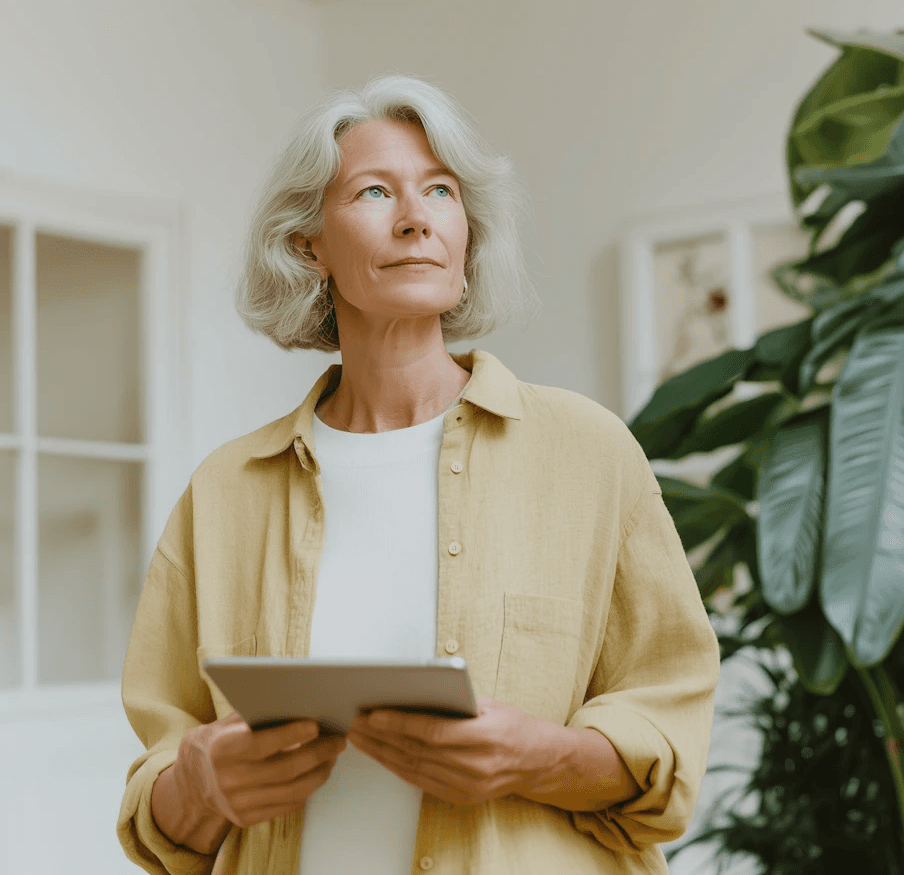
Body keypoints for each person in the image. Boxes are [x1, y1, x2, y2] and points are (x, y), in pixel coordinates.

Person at [116, 73, 721, 875]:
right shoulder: (226, 491)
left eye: (439, 191)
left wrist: (539, 758)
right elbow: (160, 814)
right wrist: (202, 783)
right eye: (374, 191)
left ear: (466, 236)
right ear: (309, 245)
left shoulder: (590, 452)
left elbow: (669, 749)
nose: (415, 219)